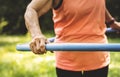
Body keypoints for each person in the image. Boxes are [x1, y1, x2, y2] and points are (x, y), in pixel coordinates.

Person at [24, 0, 120, 77]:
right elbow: (32, 9)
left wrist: (111, 22)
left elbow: (98, 4)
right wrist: (36, 35)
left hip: (98, 56)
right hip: (68, 59)